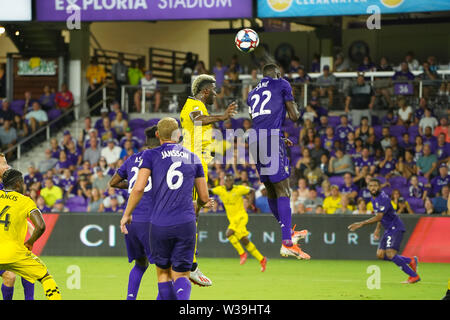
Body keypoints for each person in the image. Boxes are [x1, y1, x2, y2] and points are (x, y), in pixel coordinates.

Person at [120, 118, 212, 300]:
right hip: (186, 222)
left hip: (159, 224)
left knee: (163, 274)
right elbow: (203, 198)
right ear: (178, 135)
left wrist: (127, 214)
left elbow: (138, 188)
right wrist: (200, 206)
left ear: (157, 135)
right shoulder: (193, 158)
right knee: (182, 275)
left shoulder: (150, 156)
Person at [180, 74, 238, 286]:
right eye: (213, 90)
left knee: (192, 213)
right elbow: (197, 120)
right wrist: (222, 117)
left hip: (196, 163)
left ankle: (187, 262)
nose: (216, 93)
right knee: (192, 214)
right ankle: (190, 265)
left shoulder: (199, 107)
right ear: (205, 91)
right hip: (192, 166)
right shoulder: (193, 106)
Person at [247, 63, 310, 260]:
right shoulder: (281, 83)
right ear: (276, 73)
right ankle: (287, 242)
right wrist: (294, 104)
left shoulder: (251, 94)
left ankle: (288, 235)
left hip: (255, 140)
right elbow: (294, 115)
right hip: (271, 139)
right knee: (284, 189)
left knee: (272, 189)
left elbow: (260, 120)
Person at [109, 126, 158, 300]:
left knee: (140, 263)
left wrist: (132, 185)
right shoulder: (159, 158)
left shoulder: (133, 158)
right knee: (165, 267)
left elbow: (113, 182)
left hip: (131, 219)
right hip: (151, 219)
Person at [0, 169, 62, 299]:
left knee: (12, 276)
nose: (23, 186)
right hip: (13, 254)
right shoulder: (25, 201)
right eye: (22, 183)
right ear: (17, 184)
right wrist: (30, 242)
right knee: (45, 277)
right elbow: (40, 226)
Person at [348, 178, 420, 284]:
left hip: (395, 227)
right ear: (368, 187)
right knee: (380, 255)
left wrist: (361, 224)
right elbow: (380, 217)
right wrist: (377, 229)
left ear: (379, 187)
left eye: (375, 185)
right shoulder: (374, 198)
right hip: (388, 228)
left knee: (390, 254)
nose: (373, 188)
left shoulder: (383, 198)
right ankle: (410, 261)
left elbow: (378, 216)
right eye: (371, 185)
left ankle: (414, 276)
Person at [211, 174, 267, 271]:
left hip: (241, 217)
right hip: (233, 220)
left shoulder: (239, 189)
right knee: (244, 240)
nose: (228, 182)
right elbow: (209, 191)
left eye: (230, 181)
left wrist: (250, 203)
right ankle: (262, 259)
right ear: (224, 182)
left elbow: (252, 191)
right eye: (226, 181)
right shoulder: (221, 189)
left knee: (228, 233)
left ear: (233, 182)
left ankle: (242, 254)